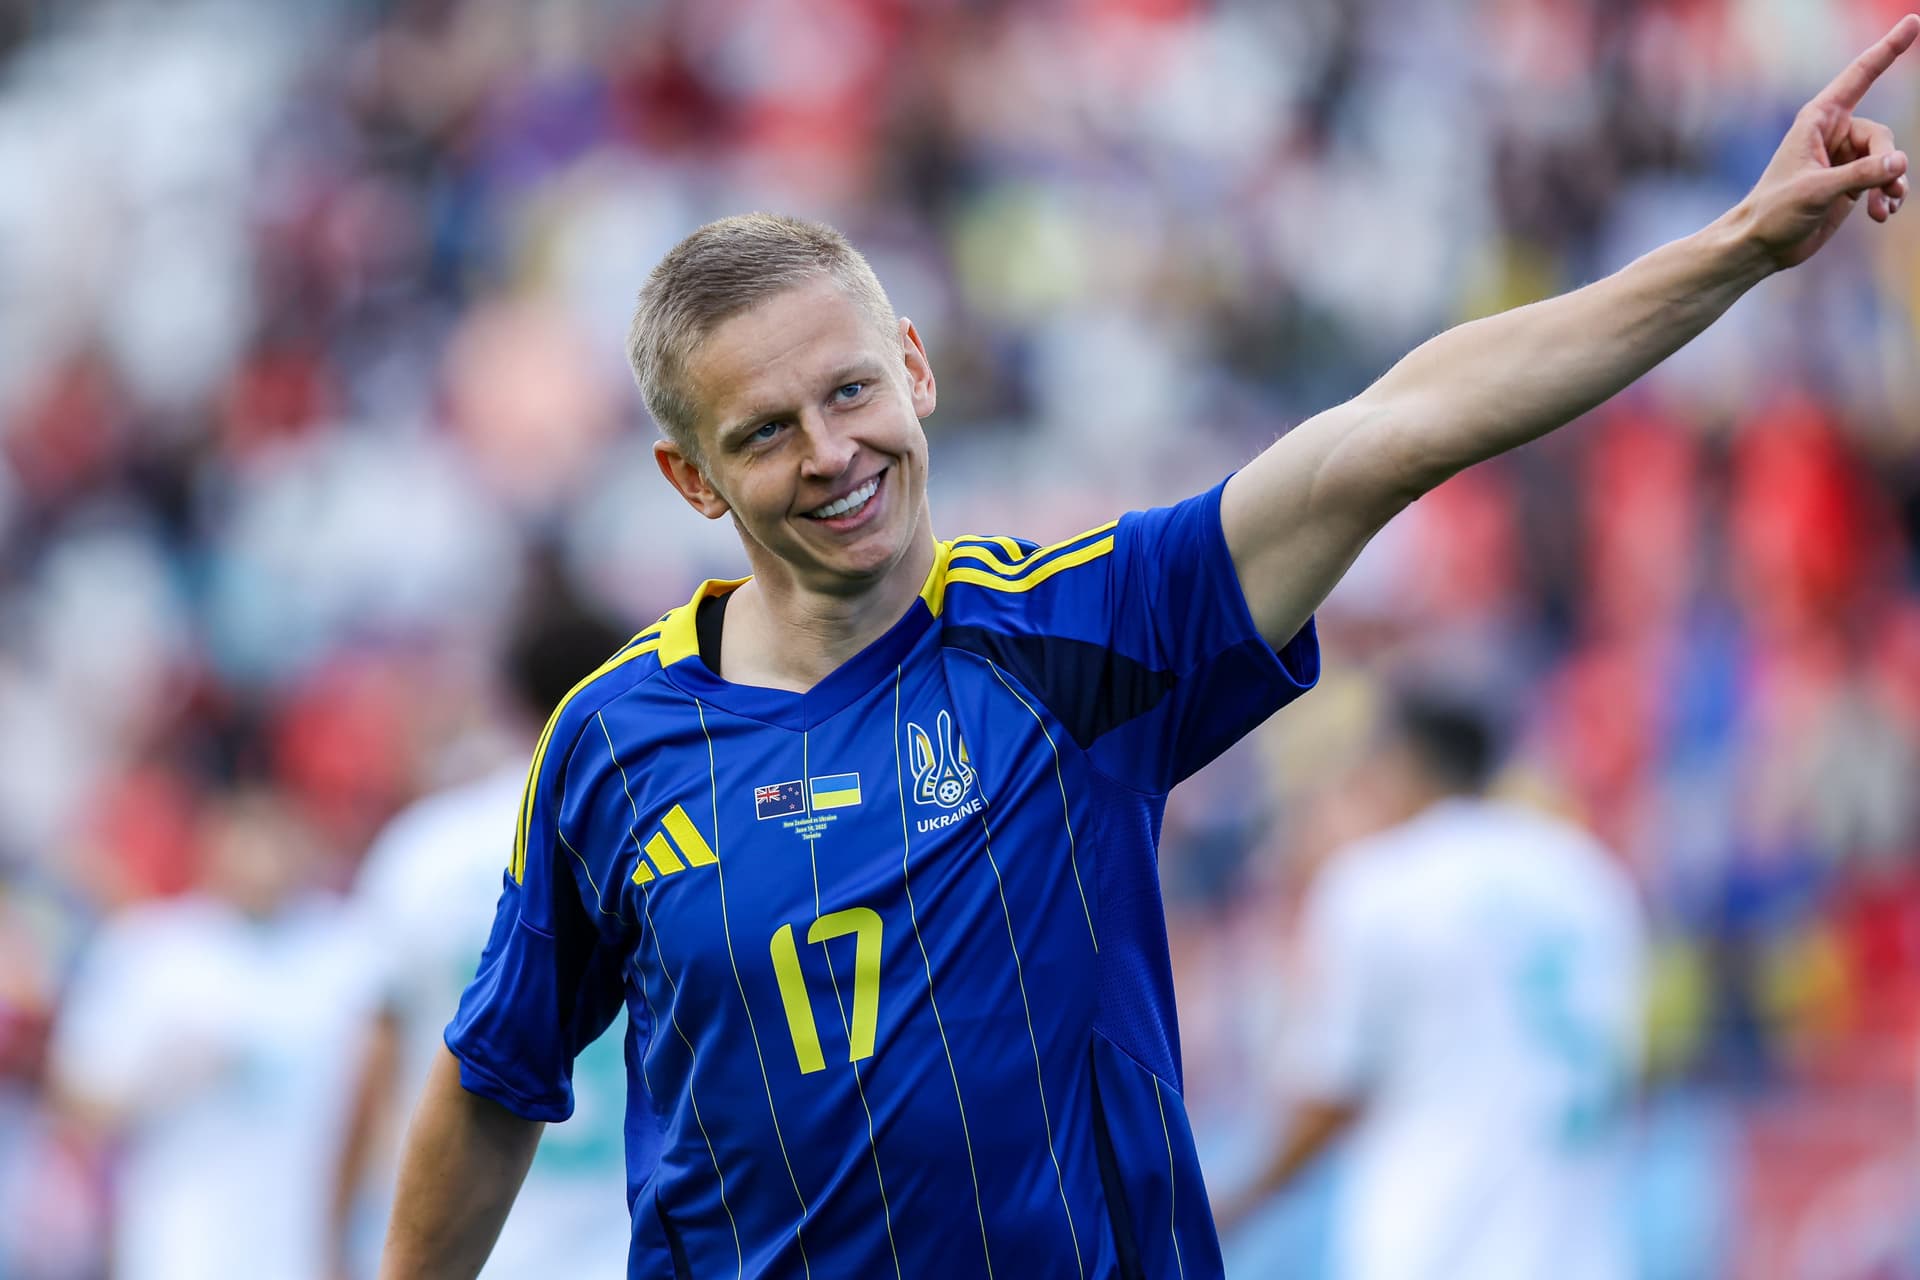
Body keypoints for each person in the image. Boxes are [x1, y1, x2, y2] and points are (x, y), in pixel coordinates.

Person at [380, 20, 1917, 1279]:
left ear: (914, 367)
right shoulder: (610, 742)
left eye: (851, 392)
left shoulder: (1081, 627)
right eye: (764, 432)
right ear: (690, 478)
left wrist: (1736, 247)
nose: (833, 451)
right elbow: (494, 1078)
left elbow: (1400, 428)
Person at [1216, 688, 1647, 1280]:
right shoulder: (1590, 876)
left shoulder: (1381, 882)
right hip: (1578, 1255)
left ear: (1402, 761)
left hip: (1441, 1247)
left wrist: (1232, 1206)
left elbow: (1329, 1090)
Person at [334, 592, 634, 1278]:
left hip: (474, 1248)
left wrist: (341, 1243)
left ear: (506, 700)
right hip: (629, 1247)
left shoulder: (422, 851)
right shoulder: (663, 842)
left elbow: (371, 1073)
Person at [49, 787, 380, 1280]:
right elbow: (76, 1096)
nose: (261, 860)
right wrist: (156, 1081)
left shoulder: (348, 950)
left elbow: (383, 1094)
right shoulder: (154, 948)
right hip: (181, 1238)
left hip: (307, 1241)